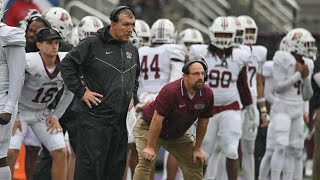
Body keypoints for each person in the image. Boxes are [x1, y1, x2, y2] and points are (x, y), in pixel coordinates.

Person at [60, 6, 140, 180]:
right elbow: (66, 65)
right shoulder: (92, 43)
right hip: (93, 120)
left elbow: (136, 76)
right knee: (89, 170)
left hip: (119, 123)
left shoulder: (132, 49)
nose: (130, 29)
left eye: (132, 25)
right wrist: (81, 92)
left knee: (115, 170)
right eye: (126, 24)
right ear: (113, 24)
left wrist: (131, 94)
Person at [189, 16, 254, 180]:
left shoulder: (240, 55)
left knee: (231, 150)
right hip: (206, 110)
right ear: (212, 34)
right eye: (219, 34)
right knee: (204, 152)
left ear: (233, 35)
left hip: (230, 108)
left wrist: (250, 106)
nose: (223, 38)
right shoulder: (200, 53)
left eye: (226, 35)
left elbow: (242, 84)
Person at [7, 27, 73, 180]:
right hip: (20, 111)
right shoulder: (28, 61)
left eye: (56, 42)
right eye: (50, 42)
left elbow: (71, 91)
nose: (54, 46)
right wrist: (14, 114)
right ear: (39, 45)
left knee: (61, 152)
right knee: (10, 152)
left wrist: (56, 116)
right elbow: (10, 85)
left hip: (43, 113)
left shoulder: (66, 61)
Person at [133, 60, 214, 180]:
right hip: (149, 126)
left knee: (195, 162)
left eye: (203, 74)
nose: (201, 77)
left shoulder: (207, 93)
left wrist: (197, 148)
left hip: (175, 132)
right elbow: (157, 119)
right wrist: (150, 147)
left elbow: (203, 122)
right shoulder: (171, 91)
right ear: (185, 76)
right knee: (146, 162)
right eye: (196, 74)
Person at [269, 28, 314, 180]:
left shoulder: (308, 63)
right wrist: (297, 76)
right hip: (282, 108)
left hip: (297, 109)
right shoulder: (281, 59)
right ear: (295, 45)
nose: (309, 48)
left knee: (295, 150)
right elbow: (278, 88)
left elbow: (307, 95)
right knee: (280, 147)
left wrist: (306, 78)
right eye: (305, 44)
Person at [237, 15, 269, 180]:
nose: (249, 35)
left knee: (249, 149)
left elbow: (258, 82)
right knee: (226, 148)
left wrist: (263, 109)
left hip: (252, 105)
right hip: (235, 104)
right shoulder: (234, 51)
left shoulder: (259, 51)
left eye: (251, 31)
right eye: (246, 31)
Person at [0, 1, 26, 179]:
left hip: (2, 99)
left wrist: (9, 108)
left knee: (0, 156)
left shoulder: (9, 34)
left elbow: (18, 74)